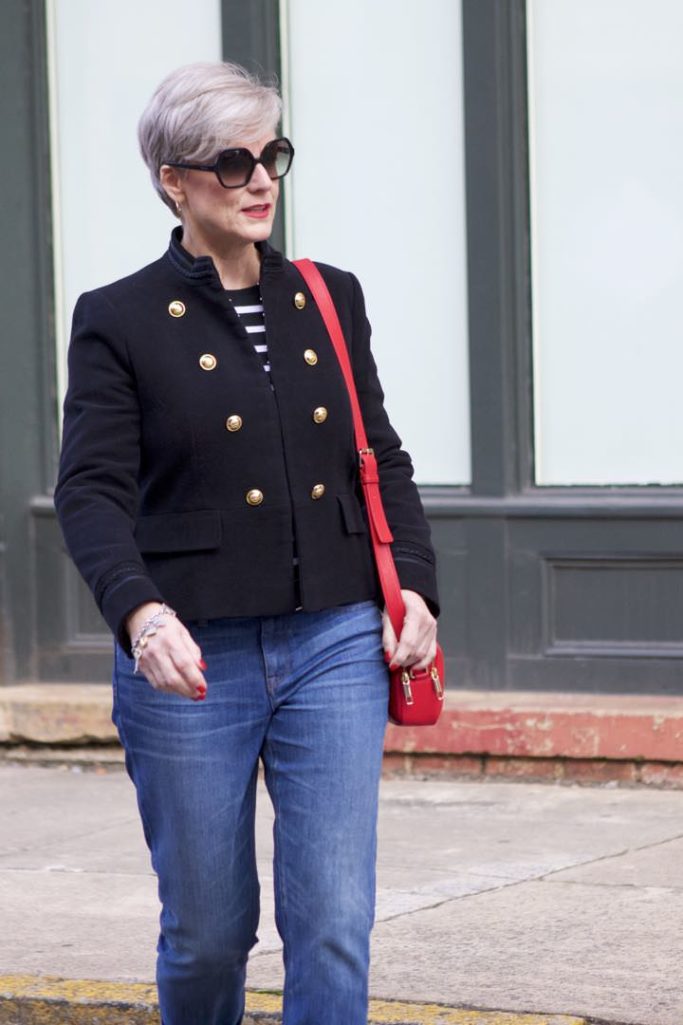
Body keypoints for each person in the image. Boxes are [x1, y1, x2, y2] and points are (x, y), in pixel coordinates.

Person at [55, 61, 439, 1025]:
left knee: (334, 919)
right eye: (232, 162)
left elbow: (379, 457)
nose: (260, 177)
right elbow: (90, 490)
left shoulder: (328, 296)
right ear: (172, 180)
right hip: (194, 658)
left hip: (336, 643)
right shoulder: (119, 317)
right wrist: (140, 615)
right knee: (209, 929)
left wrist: (417, 591)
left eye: (272, 154)